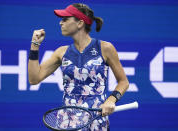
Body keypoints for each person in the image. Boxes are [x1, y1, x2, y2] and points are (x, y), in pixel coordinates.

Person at [28, 3, 129, 131]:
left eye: (65, 19)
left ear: (80, 23)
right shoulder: (61, 52)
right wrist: (35, 45)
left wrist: (111, 100)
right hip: (67, 122)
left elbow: (123, 82)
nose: (61, 23)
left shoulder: (105, 48)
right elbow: (34, 78)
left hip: (97, 123)